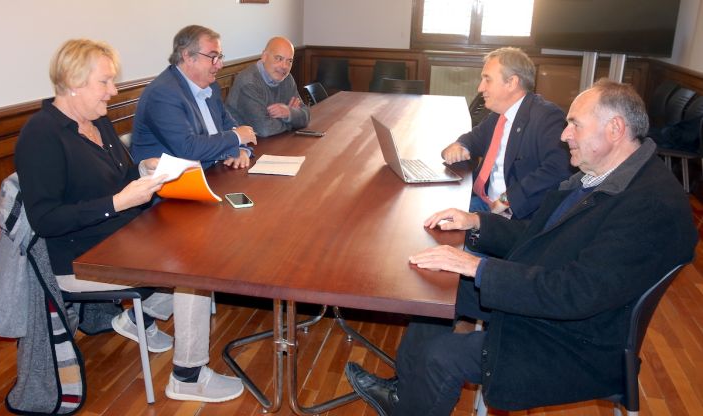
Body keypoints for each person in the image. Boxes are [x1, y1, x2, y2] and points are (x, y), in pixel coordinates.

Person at [344, 79, 698, 415]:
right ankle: (406, 393)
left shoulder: (649, 206)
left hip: (577, 341)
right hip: (549, 302)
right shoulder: (604, 176)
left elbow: (576, 293)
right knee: (436, 289)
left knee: (442, 353)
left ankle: (410, 401)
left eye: (575, 124)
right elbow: (540, 238)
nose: (564, 134)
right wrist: (477, 223)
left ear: (615, 129)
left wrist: (478, 267)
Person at [16, 39, 244, 403]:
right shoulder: (41, 135)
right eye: (105, 82)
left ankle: (140, 319)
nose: (114, 90)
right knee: (194, 268)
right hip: (82, 259)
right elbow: (44, 220)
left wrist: (144, 169)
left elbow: (119, 179)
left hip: (124, 237)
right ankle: (187, 375)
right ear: (73, 82)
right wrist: (117, 202)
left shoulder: (96, 122)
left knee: (206, 239)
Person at [442, 47, 572, 219]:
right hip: (482, 201)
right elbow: (474, 139)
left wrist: (506, 199)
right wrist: (460, 145)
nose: (480, 88)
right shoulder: (499, 114)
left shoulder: (547, 117)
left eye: (487, 80)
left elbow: (558, 170)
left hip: (513, 214)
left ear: (511, 82)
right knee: (431, 216)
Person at [131, 25, 257, 169]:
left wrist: (241, 149)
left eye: (220, 57)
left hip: (212, 170)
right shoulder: (162, 94)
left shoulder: (211, 86)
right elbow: (188, 149)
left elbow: (230, 125)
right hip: (171, 184)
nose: (220, 65)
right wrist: (236, 137)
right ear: (188, 56)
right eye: (213, 57)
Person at [225, 36, 310, 137]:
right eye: (279, 58)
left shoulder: (286, 78)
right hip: (244, 147)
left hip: (273, 142)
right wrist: (292, 120)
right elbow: (265, 129)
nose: (284, 66)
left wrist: (288, 113)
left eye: (289, 61)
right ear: (264, 56)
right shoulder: (248, 82)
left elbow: (306, 116)